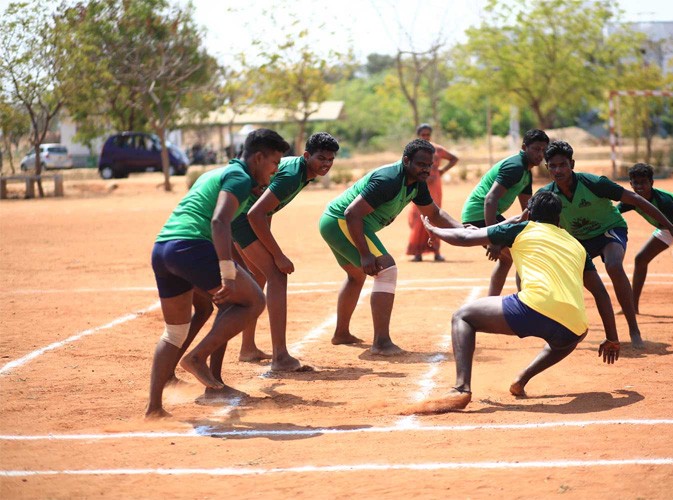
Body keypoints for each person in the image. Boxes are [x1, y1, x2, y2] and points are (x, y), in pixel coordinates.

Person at [416, 191, 621, 413]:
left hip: (532, 308)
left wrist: (434, 230)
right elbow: (601, 293)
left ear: (529, 213)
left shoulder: (521, 228)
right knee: (572, 334)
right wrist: (612, 338)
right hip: (574, 325)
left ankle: (461, 388)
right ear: (559, 218)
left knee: (462, 316)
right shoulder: (576, 245)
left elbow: (465, 238)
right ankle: (521, 380)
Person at [145, 128, 290, 418]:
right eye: (274, 163)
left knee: (178, 329)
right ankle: (198, 361)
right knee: (252, 302)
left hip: (164, 249)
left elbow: (218, 223)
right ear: (258, 158)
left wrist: (234, 270)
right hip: (192, 247)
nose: (275, 171)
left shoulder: (217, 174)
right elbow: (219, 222)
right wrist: (227, 272)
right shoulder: (239, 178)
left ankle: (154, 408)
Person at [536, 141, 673, 349]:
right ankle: (567, 331)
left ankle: (634, 329)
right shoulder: (546, 194)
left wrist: (671, 227)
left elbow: (635, 198)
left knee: (614, 266)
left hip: (610, 230)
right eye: (552, 166)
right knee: (571, 280)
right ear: (547, 168)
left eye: (562, 165)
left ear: (572, 163)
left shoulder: (594, 183)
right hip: (579, 241)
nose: (558, 170)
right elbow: (528, 218)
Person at [319, 138, 464, 355]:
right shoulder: (389, 180)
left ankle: (341, 334)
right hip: (342, 221)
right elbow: (352, 213)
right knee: (386, 268)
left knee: (355, 277)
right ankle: (381, 343)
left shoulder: (417, 182)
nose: (427, 169)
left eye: (430, 165)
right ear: (406, 161)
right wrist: (365, 254)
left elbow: (434, 213)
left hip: (338, 222)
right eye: (421, 164)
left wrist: (465, 230)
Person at [231, 132, 340, 371]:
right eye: (321, 158)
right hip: (238, 219)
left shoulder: (301, 172)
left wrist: (267, 251)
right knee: (277, 275)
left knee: (259, 275)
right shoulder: (292, 175)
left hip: (242, 218)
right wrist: (277, 255)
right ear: (307, 155)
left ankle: (247, 349)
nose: (326, 164)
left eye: (330, 159)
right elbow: (255, 214)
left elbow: (264, 212)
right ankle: (280, 357)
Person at [461, 129, 549, 295]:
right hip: (479, 214)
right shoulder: (515, 167)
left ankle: (492, 300)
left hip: (486, 214)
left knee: (507, 258)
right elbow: (490, 199)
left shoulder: (526, 172)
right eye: (536, 149)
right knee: (521, 254)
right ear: (524, 147)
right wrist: (493, 238)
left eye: (544, 150)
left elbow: (528, 208)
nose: (540, 154)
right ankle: (525, 303)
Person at [617, 163, 673, 321]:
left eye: (644, 182)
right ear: (630, 184)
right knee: (641, 259)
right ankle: (633, 306)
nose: (640, 187)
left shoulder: (663, 201)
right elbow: (613, 212)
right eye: (636, 183)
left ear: (652, 183)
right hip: (666, 226)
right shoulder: (631, 199)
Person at [406, 123, 459, 262]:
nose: (425, 137)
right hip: (419, 186)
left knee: (434, 217)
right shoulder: (414, 150)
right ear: (418, 135)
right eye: (423, 135)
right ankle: (417, 253)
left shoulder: (437, 150)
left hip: (434, 188)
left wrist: (441, 171)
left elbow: (454, 158)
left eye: (427, 134)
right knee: (417, 219)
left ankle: (436, 252)